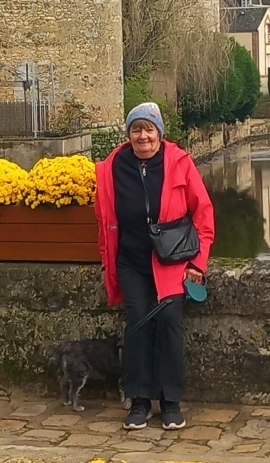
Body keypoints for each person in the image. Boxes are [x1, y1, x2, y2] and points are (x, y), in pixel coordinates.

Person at [94, 102, 215, 431]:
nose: (143, 136)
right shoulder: (111, 167)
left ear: (159, 133)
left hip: (172, 259)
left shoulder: (180, 162)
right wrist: (107, 259)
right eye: (136, 129)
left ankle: (171, 401)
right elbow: (104, 219)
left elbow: (203, 213)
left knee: (169, 321)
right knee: (137, 323)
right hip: (131, 259)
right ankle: (139, 401)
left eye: (149, 129)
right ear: (128, 134)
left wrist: (198, 263)